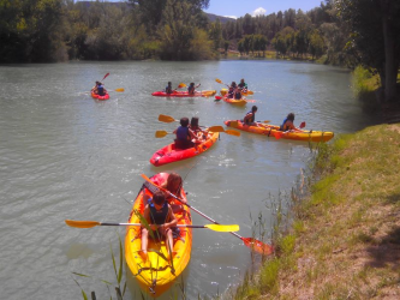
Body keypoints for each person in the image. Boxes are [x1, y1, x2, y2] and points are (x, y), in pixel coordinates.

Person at [140, 191, 178, 261]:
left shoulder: (168, 207)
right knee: (144, 231)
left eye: (160, 205)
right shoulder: (148, 208)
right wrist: (149, 226)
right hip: (152, 228)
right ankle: (144, 251)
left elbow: (175, 221)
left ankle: (170, 251)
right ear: (153, 201)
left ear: (163, 203)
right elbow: (142, 223)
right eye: (156, 205)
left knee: (169, 231)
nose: (158, 207)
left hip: (162, 227)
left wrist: (168, 224)